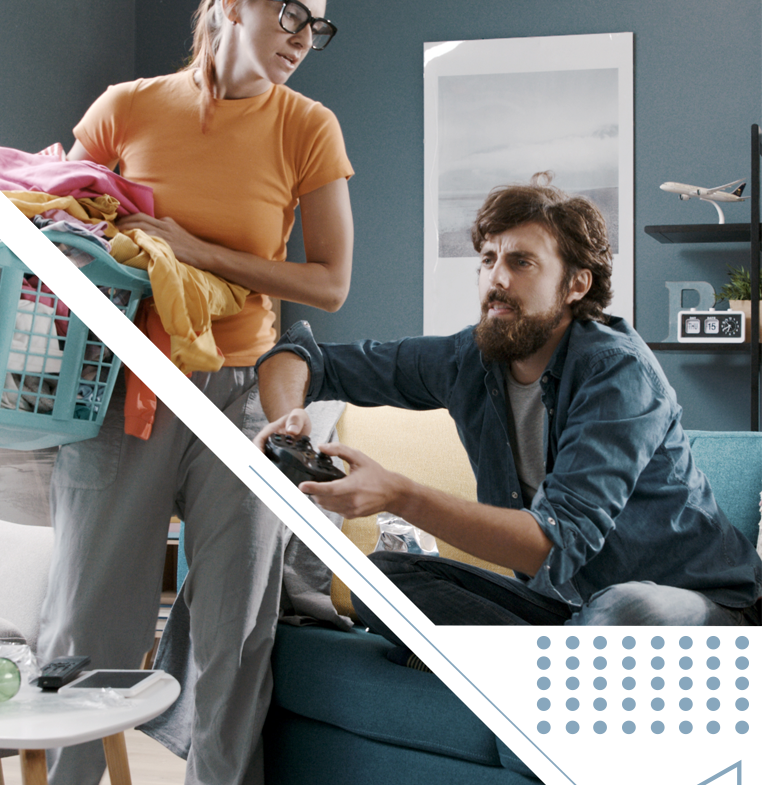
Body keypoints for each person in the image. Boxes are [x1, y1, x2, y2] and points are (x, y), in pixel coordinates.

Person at [35, 0, 354, 785]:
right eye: (287, 12)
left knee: (233, 639)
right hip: (122, 389)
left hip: (244, 404)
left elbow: (329, 282)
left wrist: (194, 249)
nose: (301, 37)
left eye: (315, 25)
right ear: (228, 3)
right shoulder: (129, 107)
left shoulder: (307, 126)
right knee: (87, 628)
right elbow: (62, 219)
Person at [255, 175, 762, 647]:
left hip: (697, 608)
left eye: (521, 262)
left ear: (576, 285)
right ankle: (550, 673)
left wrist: (401, 494)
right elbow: (298, 358)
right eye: (487, 259)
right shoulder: (468, 359)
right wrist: (286, 424)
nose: (496, 278)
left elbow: (552, 545)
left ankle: (506, 671)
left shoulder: (616, 372)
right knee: (378, 579)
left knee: (626, 609)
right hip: (568, 609)